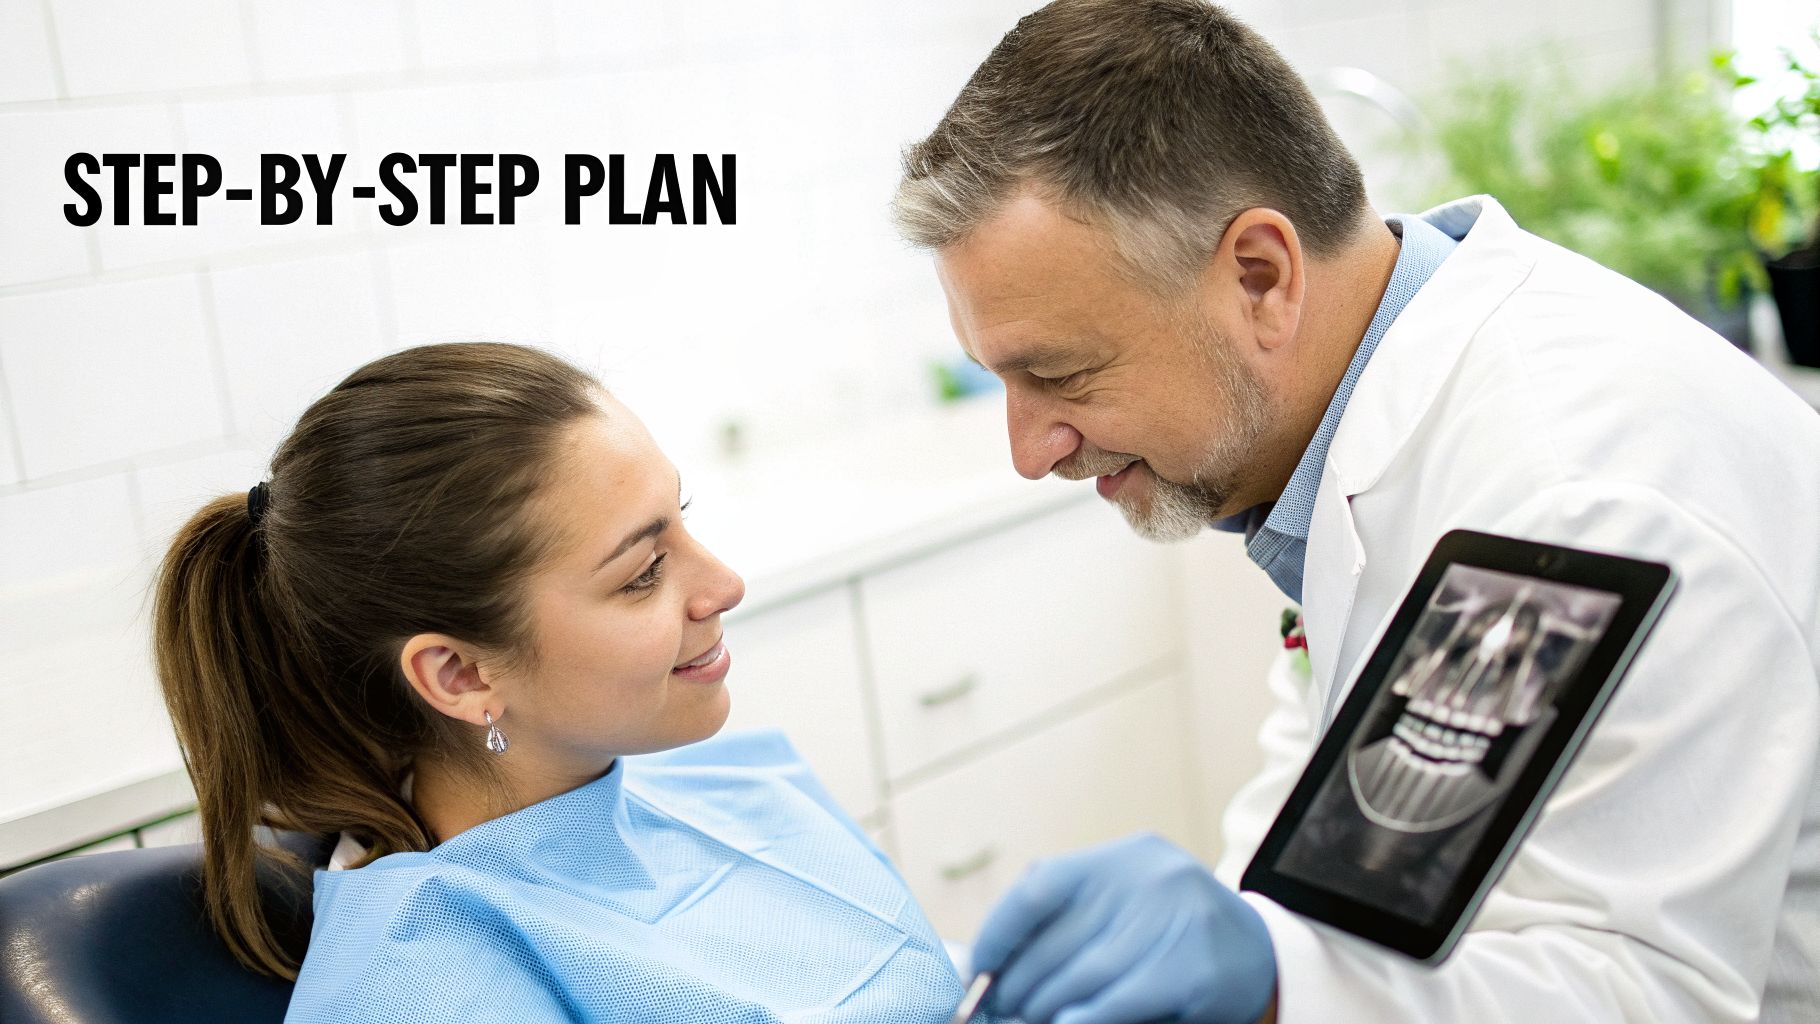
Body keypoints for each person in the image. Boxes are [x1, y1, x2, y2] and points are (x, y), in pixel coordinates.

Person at [891, 1, 1820, 1022]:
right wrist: (1239, 940)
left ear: (1259, 277)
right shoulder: (1330, 453)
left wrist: (1274, 978)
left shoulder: (1574, 498)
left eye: (1060, 373)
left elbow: (1649, 995)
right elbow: (1339, 840)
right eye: (1000, 382)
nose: (1030, 453)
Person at [152, 342, 973, 1022]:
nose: (724, 584)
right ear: (462, 674)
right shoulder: (415, 987)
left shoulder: (722, 780)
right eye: (645, 571)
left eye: (684, 519)